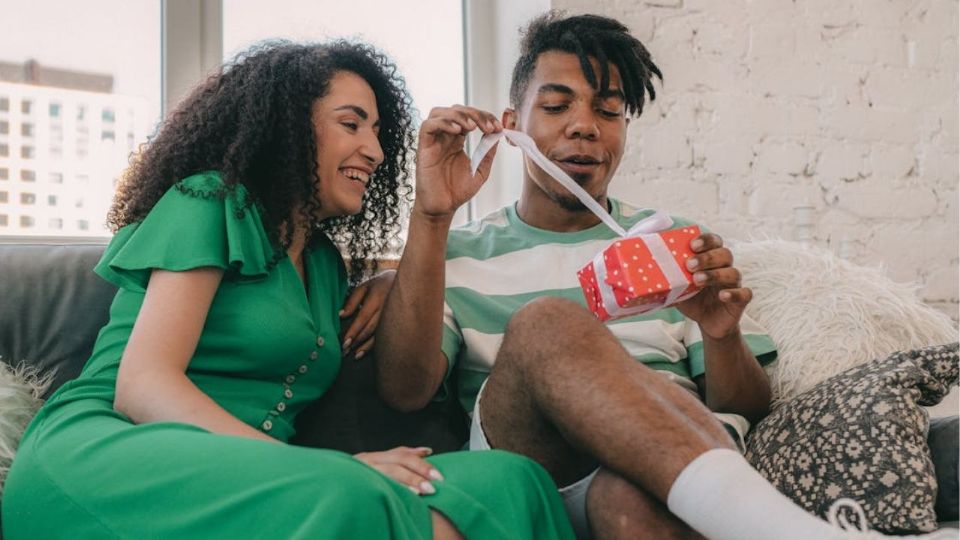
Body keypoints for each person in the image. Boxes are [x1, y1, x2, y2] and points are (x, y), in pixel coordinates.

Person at [374, 12, 955, 540]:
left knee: (627, 502)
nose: (584, 127)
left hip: (670, 475)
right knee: (546, 323)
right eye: (555, 107)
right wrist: (432, 217)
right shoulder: (456, 253)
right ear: (510, 124)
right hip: (537, 466)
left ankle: (744, 515)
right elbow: (403, 390)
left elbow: (747, 407)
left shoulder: (672, 242)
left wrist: (722, 333)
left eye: (608, 111)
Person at [1, 41, 575, 540]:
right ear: (287, 127)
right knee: (349, 493)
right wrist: (327, 466)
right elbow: (143, 387)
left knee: (513, 481)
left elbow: (406, 377)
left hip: (251, 475)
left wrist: (401, 264)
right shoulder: (209, 201)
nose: (375, 151)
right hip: (113, 455)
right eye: (351, 125)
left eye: (377, 132)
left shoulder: (324, 265)